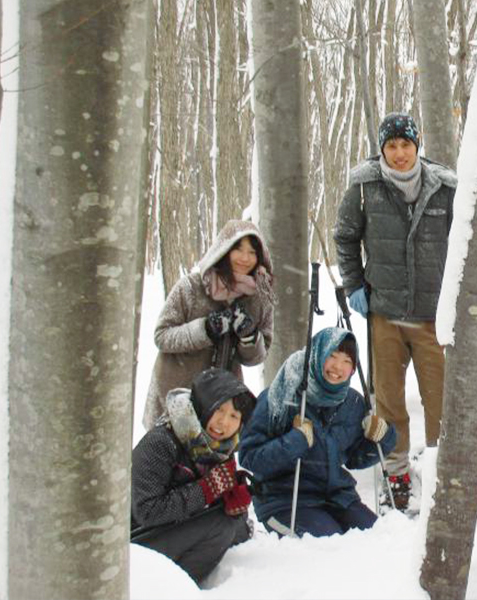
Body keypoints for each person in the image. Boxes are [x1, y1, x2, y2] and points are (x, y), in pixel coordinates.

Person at [333, 112, 456, 511]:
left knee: (439, 399)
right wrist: (354, 285)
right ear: (382, 149)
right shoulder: (364, 189)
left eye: (406, 145)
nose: (399, 154)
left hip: (432, 315)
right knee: (388, 401)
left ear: (417, 147)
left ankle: (441, 472)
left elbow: (462, 243)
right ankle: (396, 472)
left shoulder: (445, 188)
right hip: (384, 312)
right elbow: (346, 239)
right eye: (392, 146)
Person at [238, 327, 397, 537]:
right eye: (332, 356)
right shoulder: (281, 395)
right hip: (285, 499)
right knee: (330, 547)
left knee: (378, 538)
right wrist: (295, 440)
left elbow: (354, 458)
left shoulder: (352, 402)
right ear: (317, 355)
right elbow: (250, 457)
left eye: (347, 361)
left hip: (338, 497)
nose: (338, 367)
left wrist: (383, 438)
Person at [142, 220, 275, 429]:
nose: (245, 258)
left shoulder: (259, 297)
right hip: (176, 398)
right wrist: (204, 330)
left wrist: (249, 337)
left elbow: (258, 355)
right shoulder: (191, 287)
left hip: (220, 409)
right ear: (223, 250)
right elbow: (162, 336)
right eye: (238, 249)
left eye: (252, 252)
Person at [131, 368, 257, 586]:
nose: (223, 423)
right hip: (134, 542)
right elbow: (146, 511)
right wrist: (207, 490)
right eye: (218, 409)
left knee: (232, 524)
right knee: (221, 526)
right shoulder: (161, 442)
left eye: (234, 416)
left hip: (168, 531)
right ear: (203, 405)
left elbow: (214, 506)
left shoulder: (219, 448)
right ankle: (171, 588)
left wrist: (232, 502)